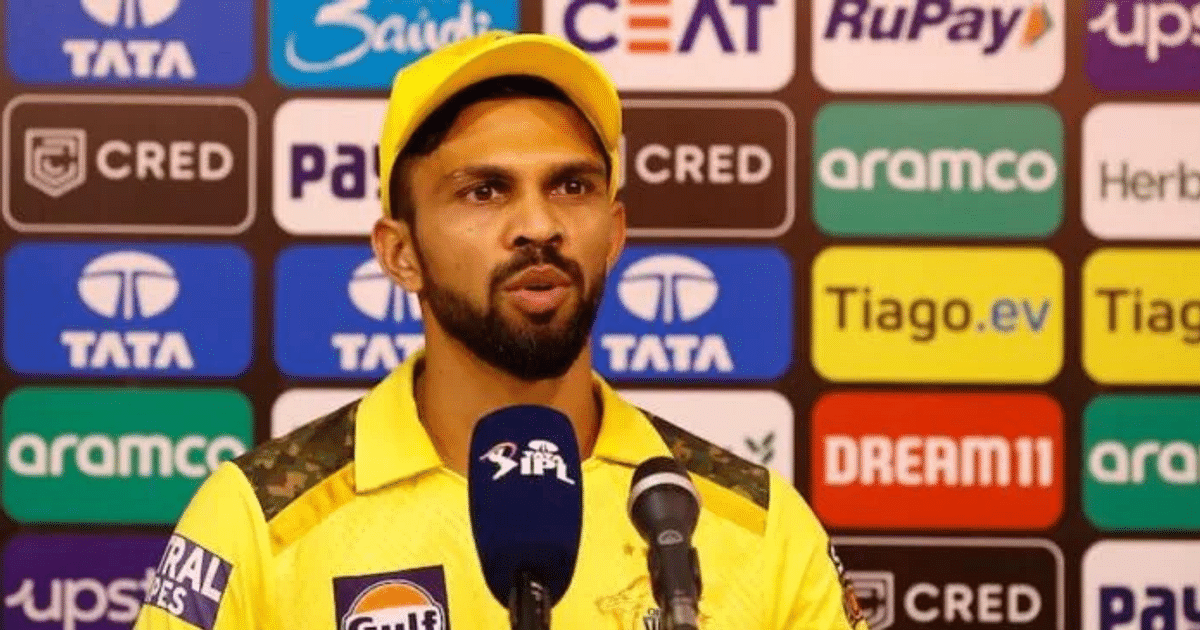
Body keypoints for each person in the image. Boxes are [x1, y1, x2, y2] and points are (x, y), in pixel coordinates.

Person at [131, 31, 869, 630]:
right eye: (484, 191)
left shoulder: (754, 525)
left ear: (614, 233)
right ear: (400, 253)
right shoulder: (258, 520)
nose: (538, 226)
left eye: (571, 187)